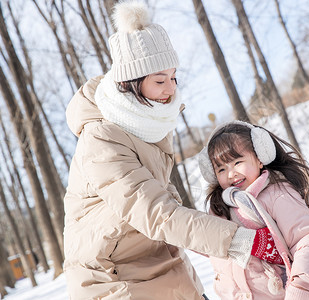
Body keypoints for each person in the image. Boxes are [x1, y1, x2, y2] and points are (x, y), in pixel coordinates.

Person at [63, 2, 282, 299]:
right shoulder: (102, 140)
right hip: (113, 277)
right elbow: (156, 213)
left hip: (160, 262)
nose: (171, 88)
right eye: (160, 80)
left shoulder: (146, 123)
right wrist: (244, 241)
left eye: (173, 77)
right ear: (131, 83)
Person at [198, 120, 309, 300]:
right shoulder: (220, 206)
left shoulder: (277, 195)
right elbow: (209, 244)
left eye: (237, 162)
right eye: (221, 169)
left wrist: (301, 288)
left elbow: (308, 239)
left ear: (260, 158)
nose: (231, 174)